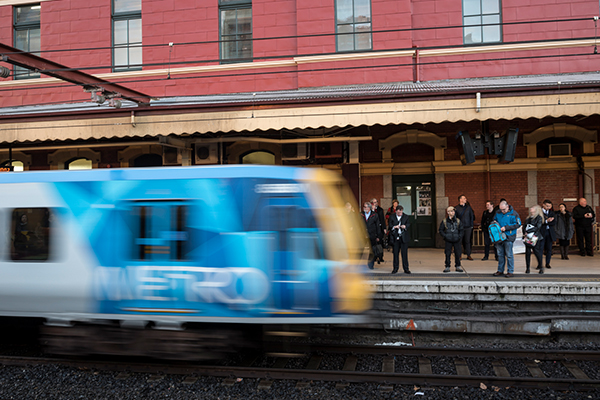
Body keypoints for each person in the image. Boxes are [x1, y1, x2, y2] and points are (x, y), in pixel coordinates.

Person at [493, 200, 521, 278]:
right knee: (500, 254)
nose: (502, 211)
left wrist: (506, 228)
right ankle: (500, 270)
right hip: (499, 236)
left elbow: (518, 224)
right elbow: (494, 220)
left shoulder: (514, 213)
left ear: (507, 207)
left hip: (509, 236)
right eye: (501, 210)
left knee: (509, 255)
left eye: (504, 210)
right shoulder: (498, 213)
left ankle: (510, 271)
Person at [439, 206, 464, 273]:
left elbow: (461, 230)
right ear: (448, 212)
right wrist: (445, 236)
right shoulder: (444, 221)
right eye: (451, 211)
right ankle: (447, 266)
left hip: (456, 239)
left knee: (457, 253)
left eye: (453, 211)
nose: (453, 212)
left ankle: (458, 265)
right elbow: (441, 230)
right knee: (447, 253)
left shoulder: (458, 221)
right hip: (448, 239)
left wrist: (459, 237)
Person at [388, 205, 411, 274]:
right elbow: (389, 225)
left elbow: (408, 224)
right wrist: (394, 227)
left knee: (404, 254)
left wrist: (405, 226)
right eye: (398, 213)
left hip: (403, 237)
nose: (400, 214)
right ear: (396, 211)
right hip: (395, 237)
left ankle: (406, 268)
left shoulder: (406, 216)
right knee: (395, 254)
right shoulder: (392, 217)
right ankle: (395, 268)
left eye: (401, 212)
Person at [523, 205, 544, 274]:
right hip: (528, 237)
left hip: (535, 237)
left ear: (536, 210)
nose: (530, 208)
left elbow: (538, 227)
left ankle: (541, 267)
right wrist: (524, 232)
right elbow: (524, 226)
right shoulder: (528, 218)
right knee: (528, 253)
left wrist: (528, 231)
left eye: (532, 208)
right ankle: (527, 268)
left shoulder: (539, 218)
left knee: (537, 252)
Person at [361, 202, 383, 269]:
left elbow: (377, 226)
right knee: (360, 250)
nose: (364, 208)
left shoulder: (374, 215)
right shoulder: (361, 214)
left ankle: (370, 265)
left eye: (366, 207)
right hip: (363, 235)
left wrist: (378, 236)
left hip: (372, 235)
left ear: (369, 208)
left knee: (372, 251)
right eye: (364, 207)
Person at [455, 195, 474, 261]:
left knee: (467, 241)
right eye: (464, 198)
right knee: (459, 242)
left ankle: (468, 254)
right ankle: (459, 255)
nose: (466, 199)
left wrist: (471, 226)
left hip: (468, 227)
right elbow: (455, 218)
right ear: (460, 200)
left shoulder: (468, 208)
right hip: (460, 228)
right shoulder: (456, 208)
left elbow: (471, 216)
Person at [541, 199, 556, 269]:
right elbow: (539, 223)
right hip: (542, 232)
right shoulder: (539, 212)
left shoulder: (552, 213)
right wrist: (546, 221)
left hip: (550, 232)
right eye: (547, 206)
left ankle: (548, 263)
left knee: (549, 249)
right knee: (541, 249)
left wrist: (548, 222)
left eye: (549, 206)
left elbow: (554, 222)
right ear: (543, 205)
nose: (548, 208)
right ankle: (539, 263)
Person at [371, 198, 386, 263]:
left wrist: (384, 228)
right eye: (374, 202)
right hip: (373, 229)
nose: (375, 203)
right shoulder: (370, 210)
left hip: (379, 228)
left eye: (376, 202)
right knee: (373, 244)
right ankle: (374, 257)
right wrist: (372, 210)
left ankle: (380, 257)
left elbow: (382, 219)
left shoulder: (380, 210)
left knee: (380, 243)